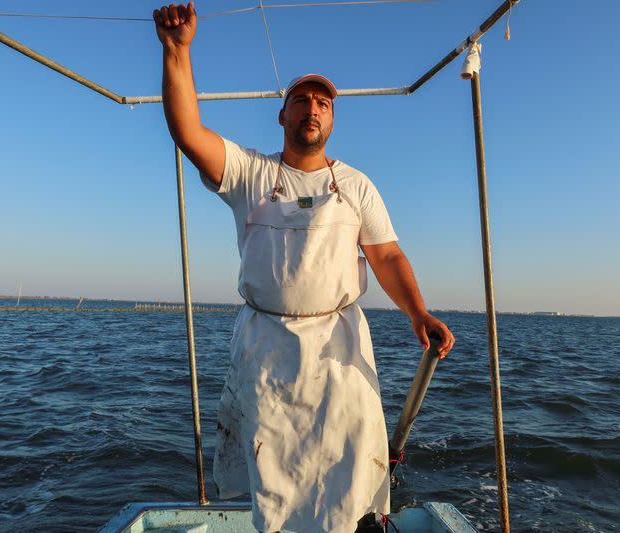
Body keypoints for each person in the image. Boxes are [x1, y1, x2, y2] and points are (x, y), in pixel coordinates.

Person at [153, 3, 455, 532]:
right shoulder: (251, 173)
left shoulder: (357, 186)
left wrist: (418, 313)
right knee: (267, 480)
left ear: (332, 120)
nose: (311, 110)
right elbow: (189, 134)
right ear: (283, 115)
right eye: (301, 101)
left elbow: (385, 255)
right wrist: (177, 52)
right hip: (264, 348)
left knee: (354, 474)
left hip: (340, 349)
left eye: (322, 104)